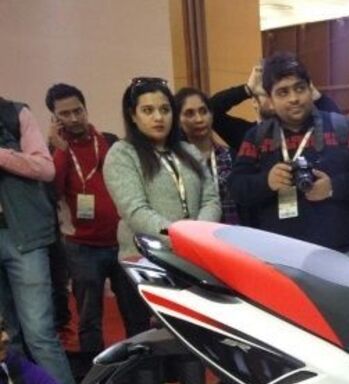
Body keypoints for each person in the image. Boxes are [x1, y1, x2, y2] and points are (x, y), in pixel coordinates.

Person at [229, 53, 349, 262]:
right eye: (283, 92)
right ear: (271, 100)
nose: (294, 98)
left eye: (300, 88)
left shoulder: (343, 127)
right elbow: (236, 187)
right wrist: (266, 182)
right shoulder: (257, 137)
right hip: (279, 258)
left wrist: (333, 187)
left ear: (310, 90)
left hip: (342, 253)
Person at [46, 83, 149, 363]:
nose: (74, 118)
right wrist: (60, 150)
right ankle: (99, 378)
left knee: (135, 314)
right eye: (65, 114)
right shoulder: (54, 152)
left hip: (121, 240)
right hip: (81, 248)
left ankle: (141, 372)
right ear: (54, 119)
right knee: (89, 319)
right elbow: (52, 192)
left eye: (78, 110)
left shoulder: (109, 142)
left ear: (86, 108)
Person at [0, 96, 75, 384]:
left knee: (40, 334)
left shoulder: (14, 113)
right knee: (8, 337)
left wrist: (3, 155)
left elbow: (46, 168)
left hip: (23, 236)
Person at [103, 77, 221, 247]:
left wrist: (198, 235)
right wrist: (179, 238)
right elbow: (136, 212)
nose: (158, 117)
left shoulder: (190, 151)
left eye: (165, 110)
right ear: (133, 115)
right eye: (148, 110)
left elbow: (211, 201)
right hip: (147, 255)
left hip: (196, 250)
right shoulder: (122, 154)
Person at [210, 64, 342, 154]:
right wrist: (247, 89)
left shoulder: (302, 130)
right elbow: (210, 110)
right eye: (267, 94)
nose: (275, 100)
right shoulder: (247, 135)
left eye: (281, 93)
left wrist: (313, 93)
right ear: (254, 102)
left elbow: (338, 126)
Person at [175, 87, 239, 224]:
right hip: (193, 232)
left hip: (231, 231)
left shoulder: (230, 156)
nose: (199, 119)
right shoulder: (175, 160)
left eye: (203, 111)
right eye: (189, 113)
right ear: (178, 120)